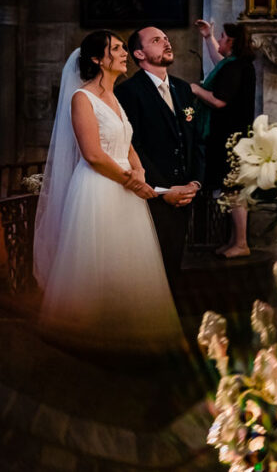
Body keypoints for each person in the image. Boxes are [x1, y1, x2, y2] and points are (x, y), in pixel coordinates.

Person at [34, 31, 182, 351]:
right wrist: (132, 180)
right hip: (98, 187)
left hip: (125, 187)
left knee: (128, 258)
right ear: (97, 59)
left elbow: (126, 142)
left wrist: (139, 169)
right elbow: (93, 154)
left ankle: (126, 330)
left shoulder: (114, 97)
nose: (124, 53)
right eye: (116, 49)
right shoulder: (82, 98)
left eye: (123, 48)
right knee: (97, 260)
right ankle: (87, 334)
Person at [116, 27, 204, 285]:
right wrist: (164, 189)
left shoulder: (182, 89)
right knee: (151, 272)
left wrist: (195, 183)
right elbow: (133, 146)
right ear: (139, 53)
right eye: (156, 40)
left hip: (185, 194)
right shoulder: (128, 92)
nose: (167, 43)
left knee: (174, 266)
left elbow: (195, 138)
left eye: (166, 38)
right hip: (152, 195)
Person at [193, 20, 257, 257]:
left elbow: (219, 100)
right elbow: (220, 66)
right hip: (231, 134)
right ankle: (234, 241)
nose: (219, 41)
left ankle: (241, 243)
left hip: (231, 136)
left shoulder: (236, 67)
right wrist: (207, 37)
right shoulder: (235, 65)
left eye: (221, 37)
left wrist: (195, 89)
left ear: (231, 41)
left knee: (234, 190)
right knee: (230, 189)